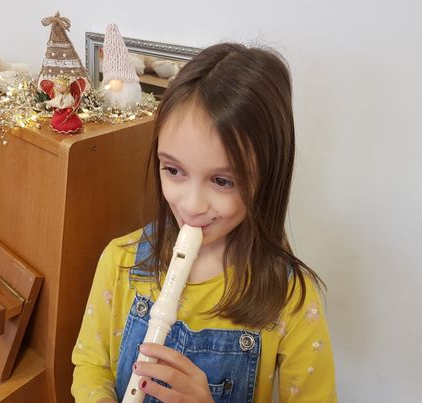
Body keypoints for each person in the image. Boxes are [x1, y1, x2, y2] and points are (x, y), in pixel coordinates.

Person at [71, 42, 336, 402]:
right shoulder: (120, 259)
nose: (192, 206)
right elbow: (90, 364)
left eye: (222, 181)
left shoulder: (291, 298)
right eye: (173, 170)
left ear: (267, 178)